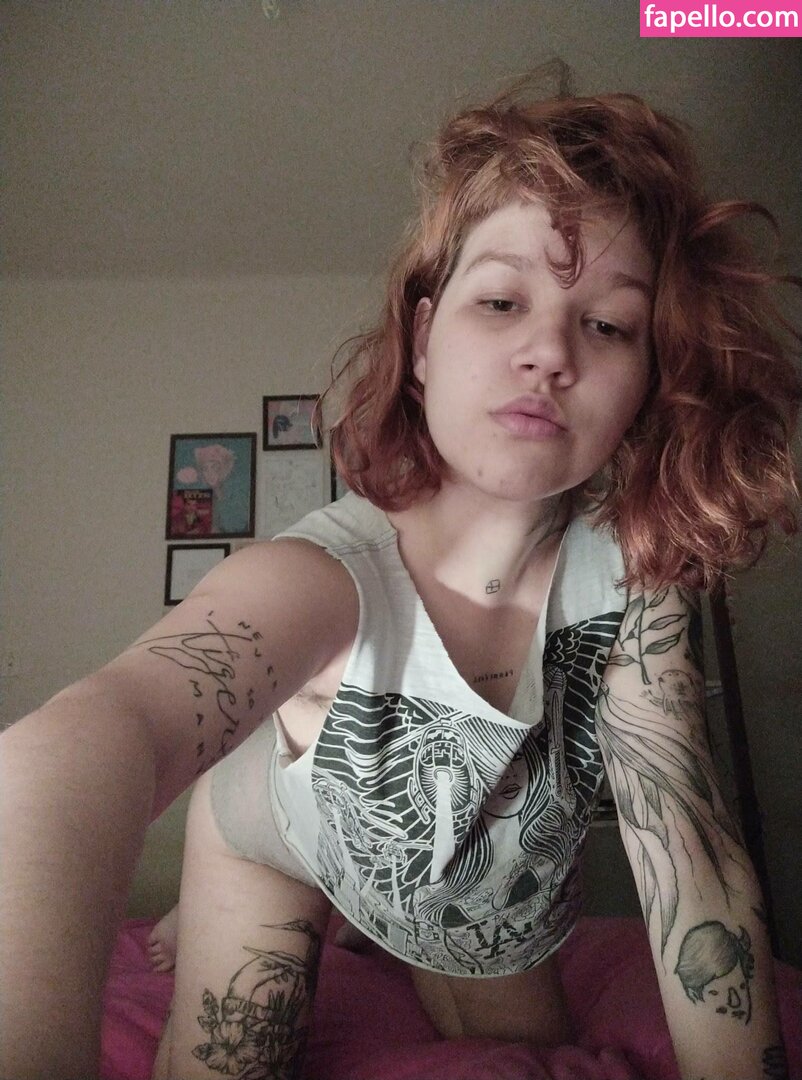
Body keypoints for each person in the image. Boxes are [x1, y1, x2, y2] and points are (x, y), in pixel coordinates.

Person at [1, 65, 799, 1080]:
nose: (549, 350)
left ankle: (367, 923)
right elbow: (69, 755)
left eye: (607, 324)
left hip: (488, 877)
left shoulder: (639, 577)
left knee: (525, 1051)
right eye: (500, 300)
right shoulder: (319, 577)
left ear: (646, 378)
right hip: (280, 838)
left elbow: (690, 853)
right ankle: (285, 910)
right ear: (423, 340)